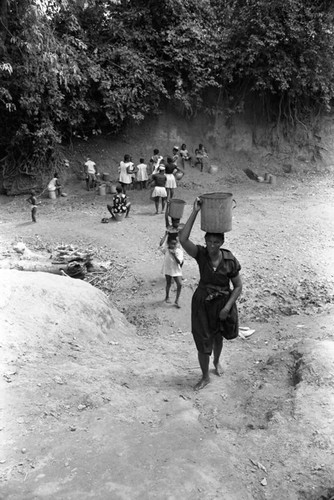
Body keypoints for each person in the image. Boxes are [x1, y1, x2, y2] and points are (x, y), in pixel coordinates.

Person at [179, 198, 243, 391]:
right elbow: (182, 239)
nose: (212, 245)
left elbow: (238, 286)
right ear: (205, 241)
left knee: (217, 337)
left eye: (216, 242)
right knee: (202, 339)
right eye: (209, 241)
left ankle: (216, 362)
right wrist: (195, 211)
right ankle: (205, 376)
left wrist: (226, 307)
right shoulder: (201, 254)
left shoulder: (230, 260)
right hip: (202, 302)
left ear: (222, 242)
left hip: (222, 302)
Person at [160, 234, 184, 308]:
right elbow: (160, 244)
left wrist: (174, 255)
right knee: (168, 283)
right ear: (168, 243)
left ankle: (177, 300)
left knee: (180, 284)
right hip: (168, 269)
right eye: (172, 243)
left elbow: (179, 262)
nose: (173, 245)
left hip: (176, 270)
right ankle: (167, 297)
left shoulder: (179, 251)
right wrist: (165, 235)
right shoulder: (166, 250)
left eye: (175, 243)